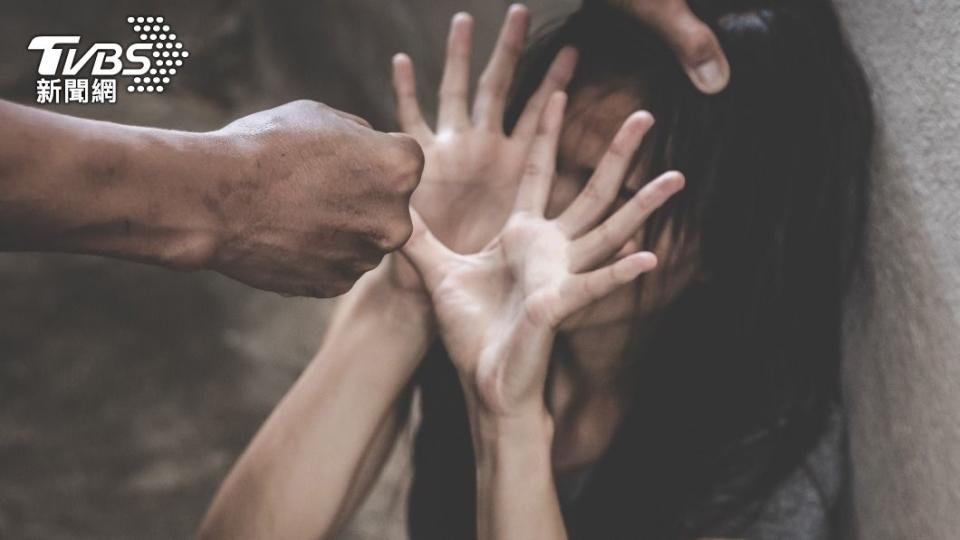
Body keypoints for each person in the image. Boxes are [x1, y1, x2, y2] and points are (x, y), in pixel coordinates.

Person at [201, 0, 872, 537]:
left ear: (720, 245)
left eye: (601, 186)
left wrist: (508, 421)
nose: (535, 218)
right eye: (542, 163)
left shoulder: (766, 452)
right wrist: (405, 290)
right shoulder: (468, 281)